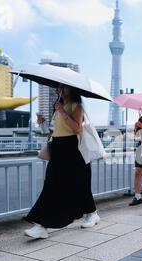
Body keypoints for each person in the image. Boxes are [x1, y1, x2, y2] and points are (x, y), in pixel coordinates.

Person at [24, 84, 100, 239]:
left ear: (72, 89)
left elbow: (77, 129)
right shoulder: (58, 107)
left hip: (72, 149)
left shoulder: (75, 106)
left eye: (64, 88)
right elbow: (52, 131)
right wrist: (43, 123)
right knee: (51, 183)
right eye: (59, 88)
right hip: (58, 148)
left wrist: (63, 112)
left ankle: (91, 214)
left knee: (79, 183)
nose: (60, 91)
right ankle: (41, 224)